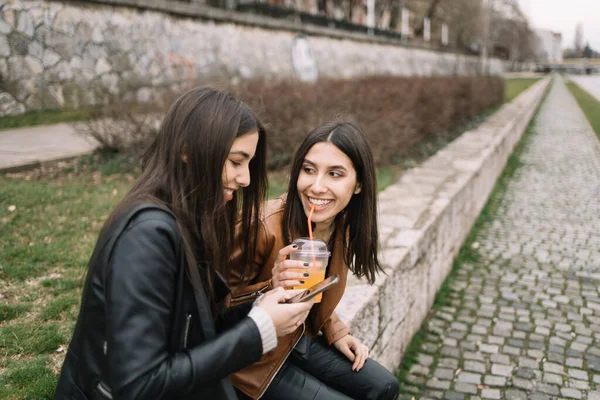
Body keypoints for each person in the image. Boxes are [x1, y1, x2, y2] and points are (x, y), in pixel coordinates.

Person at [54, 87, 314, 400]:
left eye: (248, 163)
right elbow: (139, 385)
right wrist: (259, 330)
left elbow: (197, 327)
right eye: (235, 161)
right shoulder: (147, 237)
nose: (245, 179)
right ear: (187, 150)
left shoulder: (186, 219)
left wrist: (261, 304)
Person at [228, 121, 400, 400]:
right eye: (309, 170)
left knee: (385, 387)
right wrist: (269, 286)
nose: (317, 186)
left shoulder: (339, 226)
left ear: (358, 185)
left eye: (335, 174)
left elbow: (313, 290)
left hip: (296, 340)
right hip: (252, 360)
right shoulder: (262, 226)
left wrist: (337, 332)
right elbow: (215, 308)